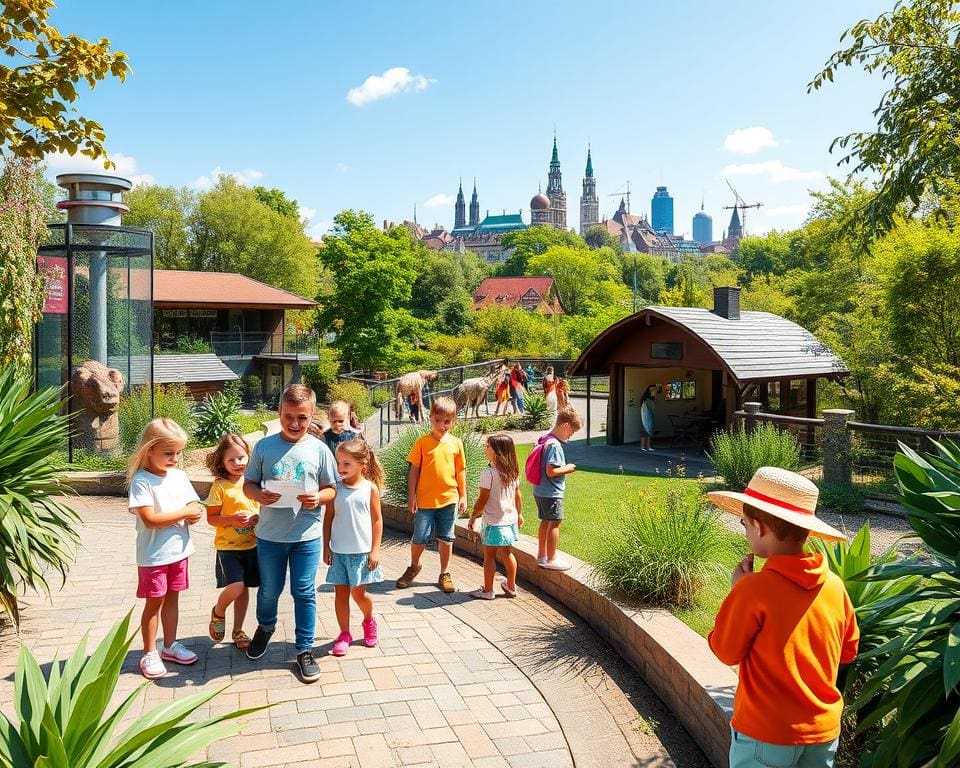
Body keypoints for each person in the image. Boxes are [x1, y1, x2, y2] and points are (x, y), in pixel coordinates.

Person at [707, 468, 859, 768]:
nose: (746, 532)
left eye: (744, 524)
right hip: (822, 733)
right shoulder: (835, 586)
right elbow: (848, 651)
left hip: (765, 734)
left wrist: (737, 590)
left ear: (760, 527)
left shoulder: (753, 589)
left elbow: (725, 650)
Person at [243, 384, 337, 683]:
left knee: (304, 591)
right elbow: (248, 484)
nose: (295, 424)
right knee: (270, 589)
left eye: (302, 418)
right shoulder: (263, 447)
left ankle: (304, 649)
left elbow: (332, 489)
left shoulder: (319, 449)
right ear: (278, 413)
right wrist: (258, 495)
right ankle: (266, 627)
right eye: (288, 417)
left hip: (306, 536)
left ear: (312, 416)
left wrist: (317, 498)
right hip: (270, 536)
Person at [128, 418, 203, 679]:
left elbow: (193, 504)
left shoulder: (179, 476)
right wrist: (184, 512)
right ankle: (149, 651)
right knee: (154, 603)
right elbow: (150, 519)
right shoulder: (141, 481)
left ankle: (170, 645)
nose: (174, 458)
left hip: (179, 552)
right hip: (153, 556)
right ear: (149, 449)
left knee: (173, 599)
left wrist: (195, 513)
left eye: (178, 453)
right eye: (168, 453)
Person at [396, 396, 466, 593]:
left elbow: (461, 470)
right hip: (426, 501)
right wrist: (412, 495)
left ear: (453, 421)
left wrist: (463, 495)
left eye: (447, 422)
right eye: (438, 420)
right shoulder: (422, 442)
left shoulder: (456, 443)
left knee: (446, 538)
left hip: (449, 499)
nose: (442, 425)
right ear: (430, 418)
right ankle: (414, 566)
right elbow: (414, 470)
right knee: (419, 538)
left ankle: (444, 573)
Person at [322, 438, 384, 656]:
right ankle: (344, 634)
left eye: (346, 463)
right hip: (339, 552)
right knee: (340, 595)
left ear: (362, 463)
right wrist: (326, 547)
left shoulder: (370, 489)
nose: (341, 468)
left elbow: (377, 521)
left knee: (359, 595)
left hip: (362, 553)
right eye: (338, 463)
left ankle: (369, 620)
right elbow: (328, 518)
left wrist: (375, 549)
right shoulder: (334, 490)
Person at [204, 434, 260, 652]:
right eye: (232, 460)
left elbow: (259, 509)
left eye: (242, 457)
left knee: (244, 589)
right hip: (228, 547)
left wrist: (256, 518)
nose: (238, 463)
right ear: (222, 462)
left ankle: (238, 630)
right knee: (235, 587)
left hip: (252, 545)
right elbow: (211, 518)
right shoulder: (220, 487)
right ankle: (218, 611)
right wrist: (232, 519)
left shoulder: (252, 483)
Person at [467, 433, 523, 599]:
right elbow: (517, 495)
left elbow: (482, 499)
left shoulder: (488, 473)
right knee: (507, 553)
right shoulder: (513, 472)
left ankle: (488, 590)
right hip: (509, 520)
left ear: (497, 451)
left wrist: (473, 517)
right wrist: (519, 514)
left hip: (493, 521)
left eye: (488, 446)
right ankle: (511, 587)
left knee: (489, 556)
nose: (485, 449)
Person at [533, 405, 582, 571]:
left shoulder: (544, 439)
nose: (570, 436)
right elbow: (552, 471)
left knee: (545, 522)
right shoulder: (555, 445)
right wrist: (569, 467)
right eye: (571, 432)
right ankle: (552, 558)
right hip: (551, 492)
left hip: (540, 490)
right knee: (555, 523)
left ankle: (542, 555)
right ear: (565, 425)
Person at [640, 384, 657, 451]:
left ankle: (645, 447)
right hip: (647, 418)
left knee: (646, 432)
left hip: (645, 417)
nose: (655, 391)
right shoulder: (648, 400)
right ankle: (647, 446)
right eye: (653, 390)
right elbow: (653, 408)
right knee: (648, 431)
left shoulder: (645, 399)